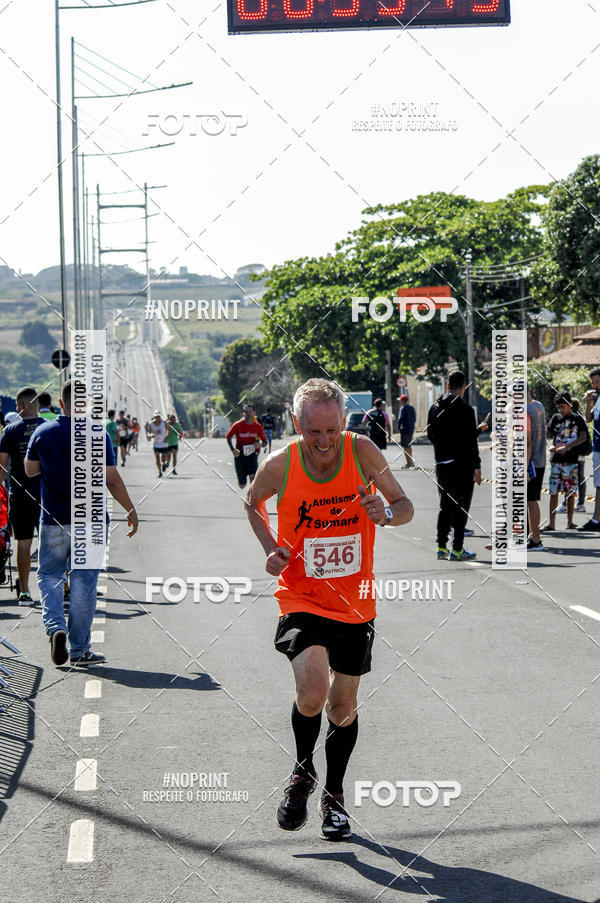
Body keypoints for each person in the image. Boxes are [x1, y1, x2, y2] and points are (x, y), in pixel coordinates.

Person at [244, 378, 413, 840]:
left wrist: (386, 514)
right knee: (313, 691)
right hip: (301, 596)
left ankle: (334, 795)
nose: (322, 442)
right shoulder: (281, 464)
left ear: (345, 422)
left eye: (331, 431)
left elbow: (406, 506)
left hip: (355, 602)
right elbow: (252, 503)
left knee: (342, 707)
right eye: (312, 432)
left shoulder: (362, 454)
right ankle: (302, 772)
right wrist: (272, 547)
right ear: (297, 424)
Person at [24, 380, 138, 667]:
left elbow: (30, 471)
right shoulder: (99, 434)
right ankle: (79, 650)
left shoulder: (43, 432)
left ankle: (55, 627)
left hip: (53, 520)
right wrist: (130, 509)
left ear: (61, 404)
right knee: (84, 583)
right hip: (91, 521)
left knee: (50, 576)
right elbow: (112, 479)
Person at [427, 371, 481, 561]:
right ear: (464, 386)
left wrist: (443, 448)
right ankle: (457, 548)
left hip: (441, 463)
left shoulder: (435, 407)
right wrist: (477, 466)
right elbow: (470, 442)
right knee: (461, 507)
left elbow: (430, 435)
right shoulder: (466, 410)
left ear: (448, 385)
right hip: (461, 465)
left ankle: (441, 547)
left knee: (445, 506)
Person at [0, 387, 44, 605]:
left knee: (24, 542)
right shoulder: (48, 427)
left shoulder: (10, 430)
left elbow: (1, 466)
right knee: (54, 543)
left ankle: (25, 592)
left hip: (19, 494)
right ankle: (64, 588)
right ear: (36, 405)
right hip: (48, 495)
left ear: (20, 406)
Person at [544, 392, 589, 532]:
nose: (561, 410)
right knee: (553, 492)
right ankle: (552, 524)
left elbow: (583, 437)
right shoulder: (556, 418)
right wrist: (550, 446)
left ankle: (570, 522)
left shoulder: (577, 419)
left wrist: (568, 447)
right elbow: (546, 433)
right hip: (556, 460)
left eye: (563, 406)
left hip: (571, 461)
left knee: (570, 492)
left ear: (570, 404)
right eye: (558, 407)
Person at [578, 369, 600, 532]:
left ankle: (596, 519)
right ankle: (596, 519)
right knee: (598, 484)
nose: (595, 386)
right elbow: (588, 419)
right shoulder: (597, 398)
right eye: (592, 383)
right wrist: (587, 403)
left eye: (597, 382)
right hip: (597, 448)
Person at [526, 388, 547, 551]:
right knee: (531, 501)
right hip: (540, 459)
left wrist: (525, 466)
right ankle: (531, 536)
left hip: (530, 461)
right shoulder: (539, 405)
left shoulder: (525, 410)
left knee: (531, 501)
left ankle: (535, 539)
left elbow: (526, 442)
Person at [226, 405, 267, 488]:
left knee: (253, 477)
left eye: (250, 412)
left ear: (254, 413)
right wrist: (233, 449)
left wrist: (261, 445)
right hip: (239, 455)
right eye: (246, 412)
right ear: (243, 414)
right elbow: (228, 436)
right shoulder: (237, 425)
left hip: (252, 454)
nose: (248, 414)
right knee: (242, 485)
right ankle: (241, 479)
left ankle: (251, 498)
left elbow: (265, 441)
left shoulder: (258, 427)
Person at [146, 411, 170, 477]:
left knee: (163, 457)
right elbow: (148, 433)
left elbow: (168, 430)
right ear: (154, 417)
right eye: (156, 417)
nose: (157, 418)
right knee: (157, 457)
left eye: (159, 417)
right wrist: (151, 435)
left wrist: (167, 437)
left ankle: (163, 464)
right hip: (156, 444)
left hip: (164, 443)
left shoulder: (164, 422)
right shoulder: (151, 424)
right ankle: (159, 471)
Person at [397, 395, 416, 468]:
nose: (400, 402)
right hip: (411, 429)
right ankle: (410, 462)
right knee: (409, 445)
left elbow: (400, 419)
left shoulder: (403, 408)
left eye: (401, 400)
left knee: (405, 446)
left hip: (404, 429)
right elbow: (414, 418)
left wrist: (399, 427)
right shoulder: (411, 408)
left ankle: (409, 463)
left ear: (403, 401)